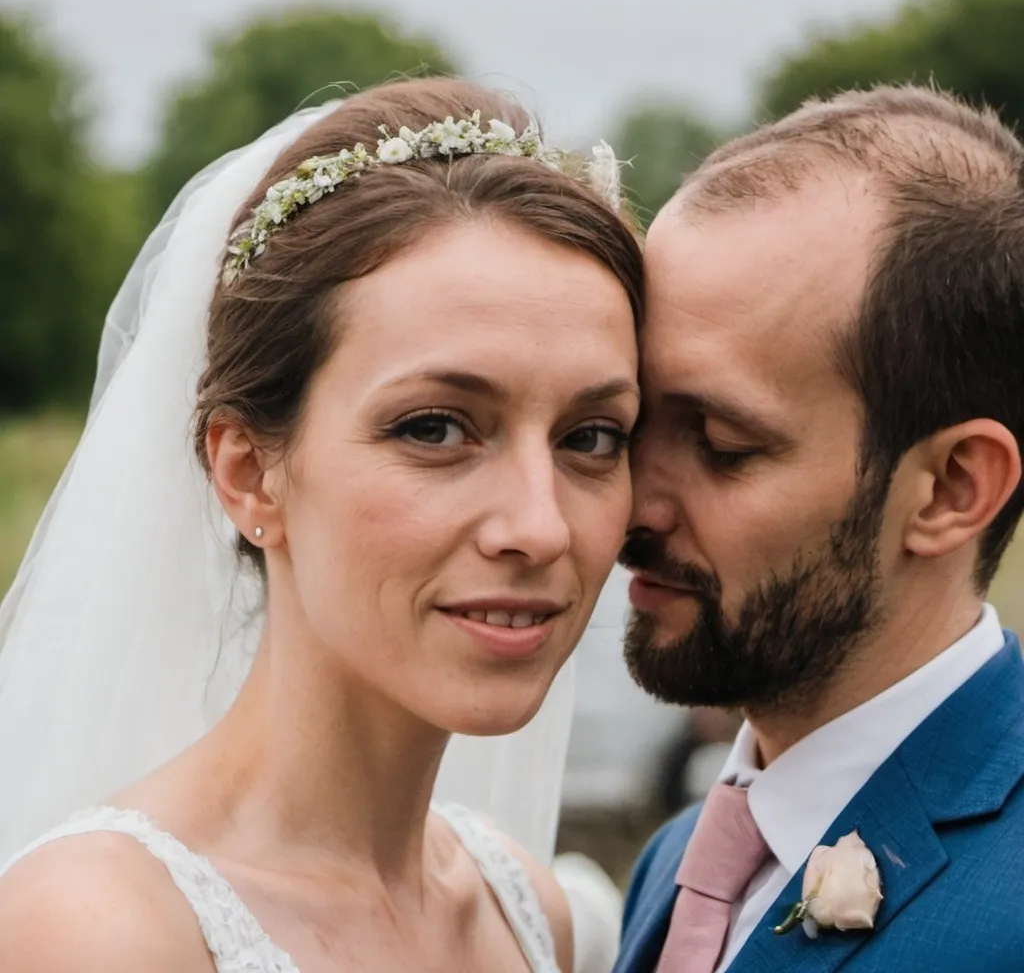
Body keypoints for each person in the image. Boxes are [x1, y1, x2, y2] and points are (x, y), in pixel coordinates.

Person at [0, 77, 643, 973]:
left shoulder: (527, 912)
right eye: (434, 429)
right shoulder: (103, 934)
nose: (540, 528)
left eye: (591, 437)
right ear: (249, 472)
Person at [615, 84, 1024, 973]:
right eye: (625, 424)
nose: (631, 506)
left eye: (723, 446)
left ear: (951, 489)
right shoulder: (678, 861)